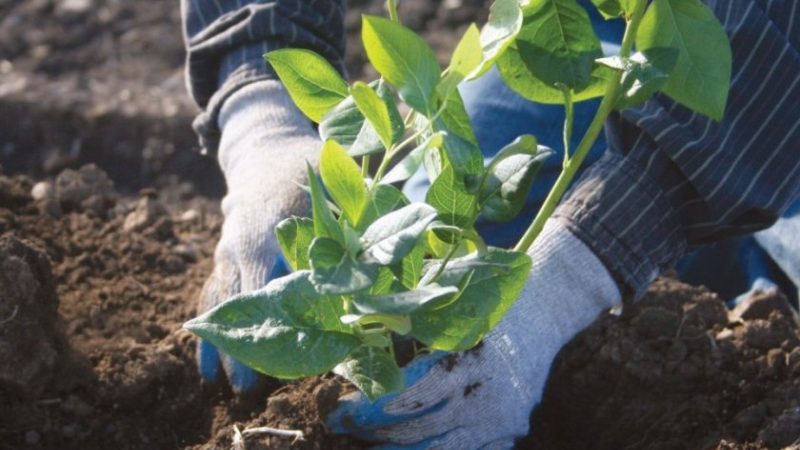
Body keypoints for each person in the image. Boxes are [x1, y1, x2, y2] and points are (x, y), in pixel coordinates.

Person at [181, 0, 800, 447]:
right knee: (443, 235)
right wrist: (260, 117)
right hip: (596, 20)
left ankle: (754, 263)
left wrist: (572, 276)